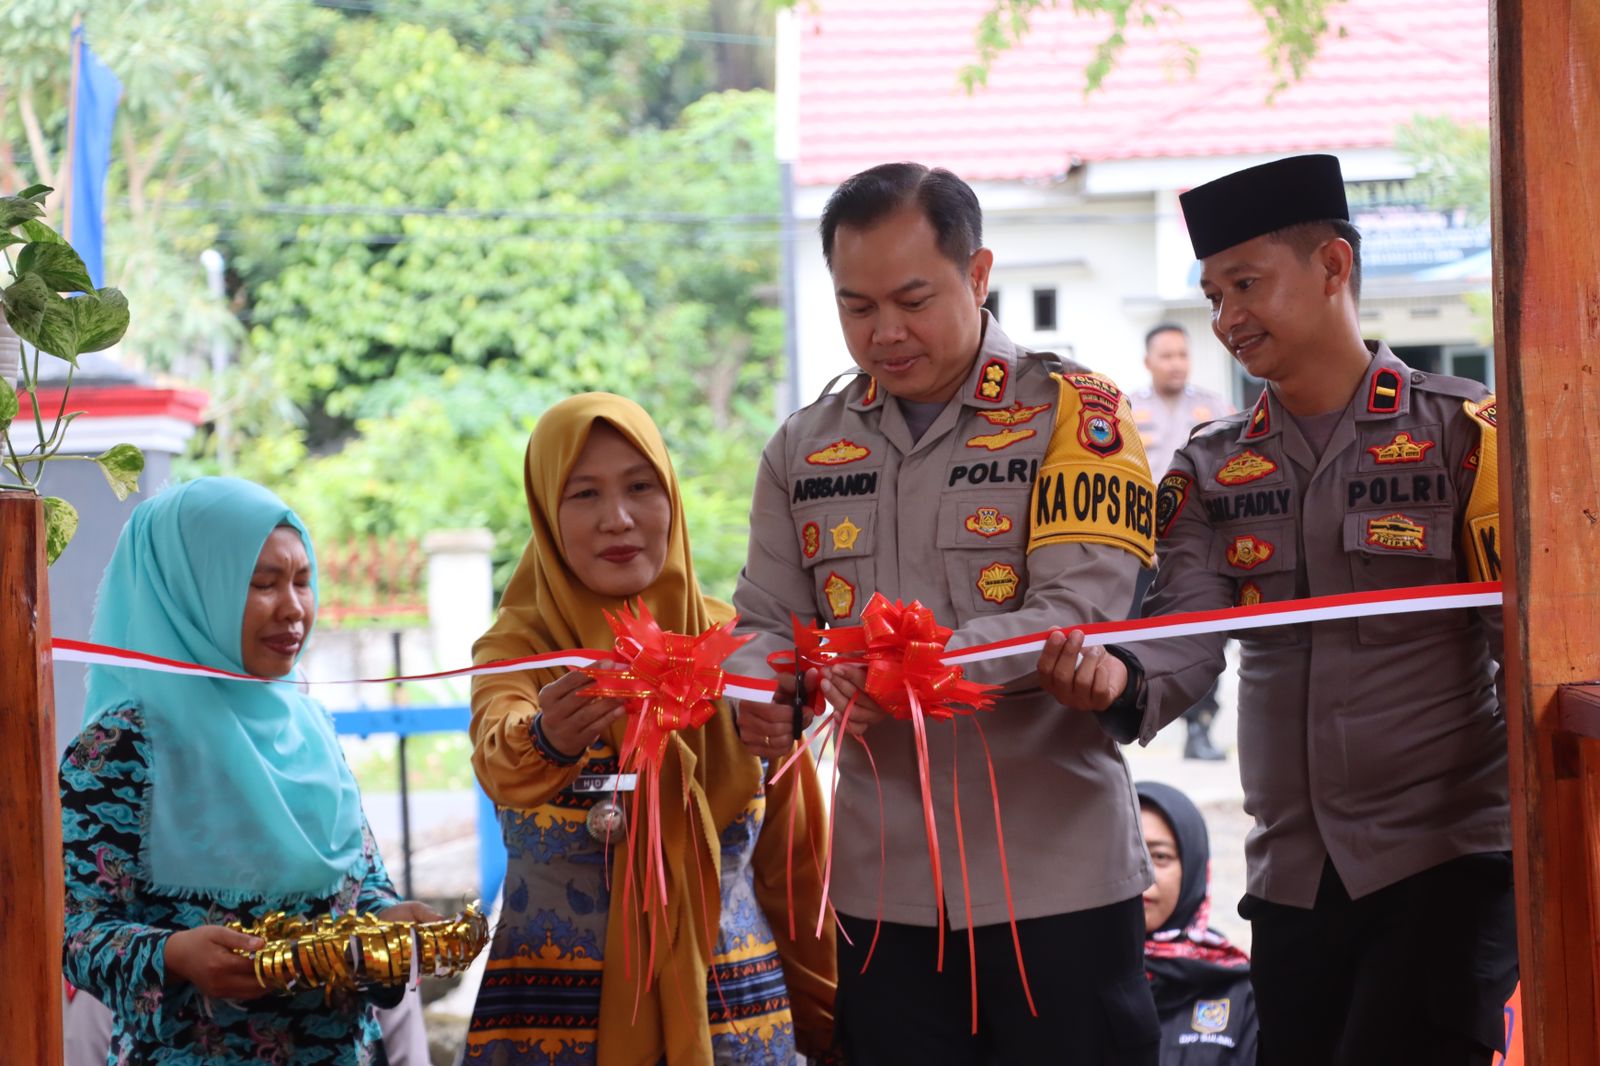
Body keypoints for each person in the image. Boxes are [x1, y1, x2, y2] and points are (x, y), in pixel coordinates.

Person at [1037, 154, 1515, 1065]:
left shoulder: (1464, 434)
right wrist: (1114, 679)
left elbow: (1525, 646)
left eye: (1246, 285)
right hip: (1292, 879)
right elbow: (1185, 639)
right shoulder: (1209, 467)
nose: (1226, 319)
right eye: (1214, 294)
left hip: (1444, 864)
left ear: (1333, 266)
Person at [729, 162, 1160, 1065]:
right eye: (857, 307)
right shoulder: (803, 448)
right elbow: (765, 617)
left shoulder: (1076, 415)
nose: (885, 333)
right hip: (884, 896)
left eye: (912, 299)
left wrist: (902, 676)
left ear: (977, 273)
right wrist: (761, 689)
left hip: (1058, 887)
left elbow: (1074, 607)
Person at [464, 392, 837, 1065]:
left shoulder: (739, 647)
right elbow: (501, 751)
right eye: (584, 495)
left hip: (734, 1020)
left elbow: (798, 864)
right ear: (548, 513)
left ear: (672, 498)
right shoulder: (522, 649)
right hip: (557, 1026)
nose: (619, 519)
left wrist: (834, 1027)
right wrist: (549, 737)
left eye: (641, 487)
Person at [60, 477, 439, 1064]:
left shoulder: (310, 728)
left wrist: (389, 922)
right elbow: (73, 930)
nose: (292, 608)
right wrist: (174, 954)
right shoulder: (119, 749)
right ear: (191, 591)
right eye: (262, 584)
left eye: (302, 581)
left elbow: (359, 886)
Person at [1128, 324, 1236, 761]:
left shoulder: (1215, 408)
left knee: (1202, 637)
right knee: (1132, 636)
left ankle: (1200, 729)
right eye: (1166, 355)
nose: (1175, 363)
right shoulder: (1124, 410)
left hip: (1200, 549)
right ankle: (1131, 719)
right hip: (1140, 551)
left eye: (1182, 355)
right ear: (1148, 361)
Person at [1135, 782, 1256, 1064]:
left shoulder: (1238, 991)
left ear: (1192, 867)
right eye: (1126, 855)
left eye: (1160, 856)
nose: (1141, 874)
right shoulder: (1072, 981)